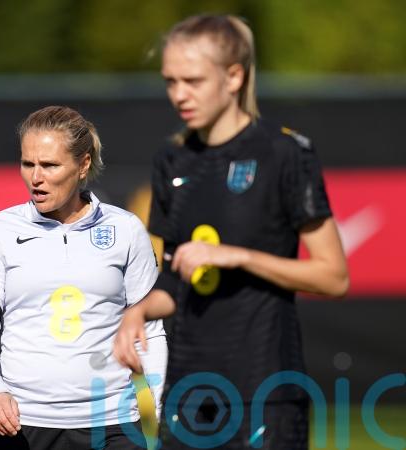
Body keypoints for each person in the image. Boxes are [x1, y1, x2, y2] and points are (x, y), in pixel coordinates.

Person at [113, 14, 349, 450]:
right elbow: (174, 281)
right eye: (170, 81)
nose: (179, 94)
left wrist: (239, 256)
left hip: (265, 392)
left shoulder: (285, 153)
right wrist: (137, 312)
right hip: (189, 389)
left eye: (193, 80)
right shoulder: (172, 160)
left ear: (234, 76)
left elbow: (334, 277)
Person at [0, 106, 168, 450]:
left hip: (111, 422)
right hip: (21, 424)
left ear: (83, 165)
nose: (35, 177)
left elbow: (149, 330)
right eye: (27, 164)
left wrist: (164, 409)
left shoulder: (126, 229)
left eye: (49, 165)